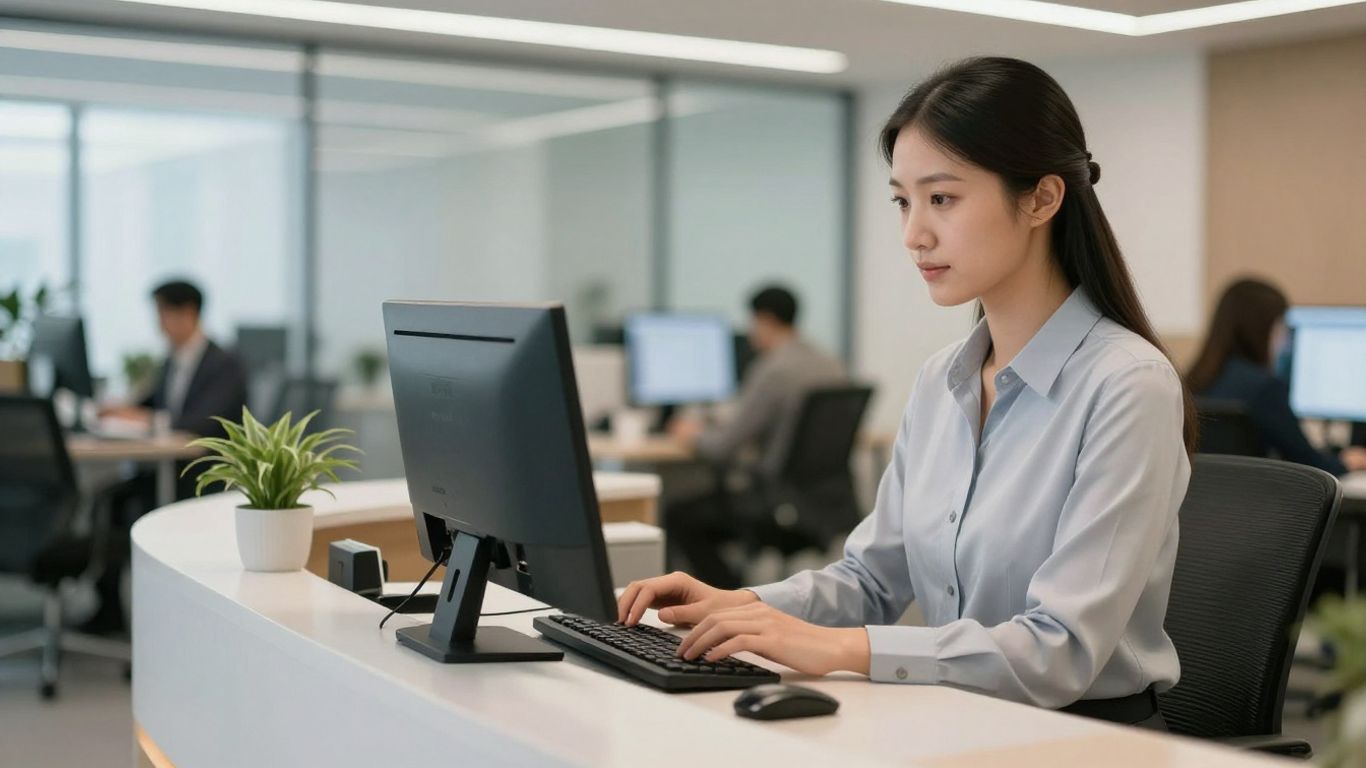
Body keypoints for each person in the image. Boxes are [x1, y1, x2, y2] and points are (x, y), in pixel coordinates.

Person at [618, 57, 1195, 731]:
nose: (914, 234)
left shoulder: (1127, 385)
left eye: (942, 198)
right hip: (955, 719)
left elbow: (1059, 648)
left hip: (1085, 737)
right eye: (902, 200)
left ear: (1041, 199)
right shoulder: (941, 378)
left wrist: (840, 649)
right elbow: (871, 580)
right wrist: (738, 605)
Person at [84, 279, 248, 635]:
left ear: (187, 313)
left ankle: (156, 614)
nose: (158, 324)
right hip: (170, 469)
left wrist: (145, 419)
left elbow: (207, 422)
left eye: (162, 314)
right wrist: (122, 409)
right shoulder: (173, 360)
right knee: (108, 499)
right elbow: (155, 402)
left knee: (127, 505)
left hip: (203, 474)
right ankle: (108, 607)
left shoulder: (224, 364)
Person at [663, 286, 846, 588]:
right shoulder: (830, 364)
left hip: (774, 502)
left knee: (677, 515)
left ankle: (727, 597)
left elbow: (722, 447)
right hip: (821, 502)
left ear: (765, 319)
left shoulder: (773, 369)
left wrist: (690, 434)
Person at [1186, 277, 1366, 475]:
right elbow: (1309, 463)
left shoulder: (1193, 381)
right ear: (1264, 330)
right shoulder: (1264, 388)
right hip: (1254, 499)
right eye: (1282, 328)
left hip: (1201, 501)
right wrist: (1346, 462)